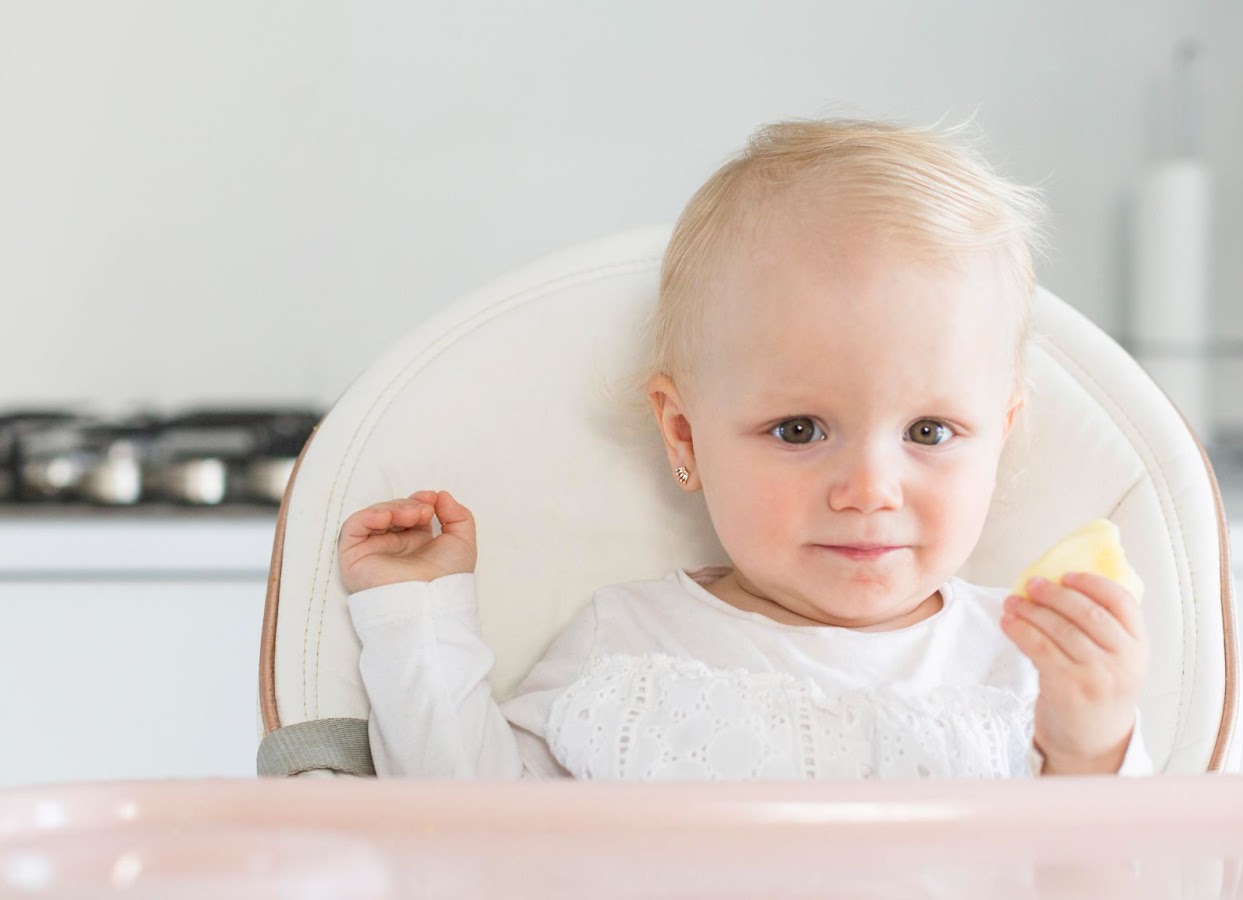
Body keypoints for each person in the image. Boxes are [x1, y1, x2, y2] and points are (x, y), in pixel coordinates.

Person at [339, 118, 1153, 780]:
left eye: (929, 433)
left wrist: (1089, 749)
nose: (871, 488)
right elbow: (472, 839)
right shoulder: (629, 647)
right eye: (799, 430)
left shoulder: (1023, 668)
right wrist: (418, 619)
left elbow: (1120, 880)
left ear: (1000, 439)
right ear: (684, 433)